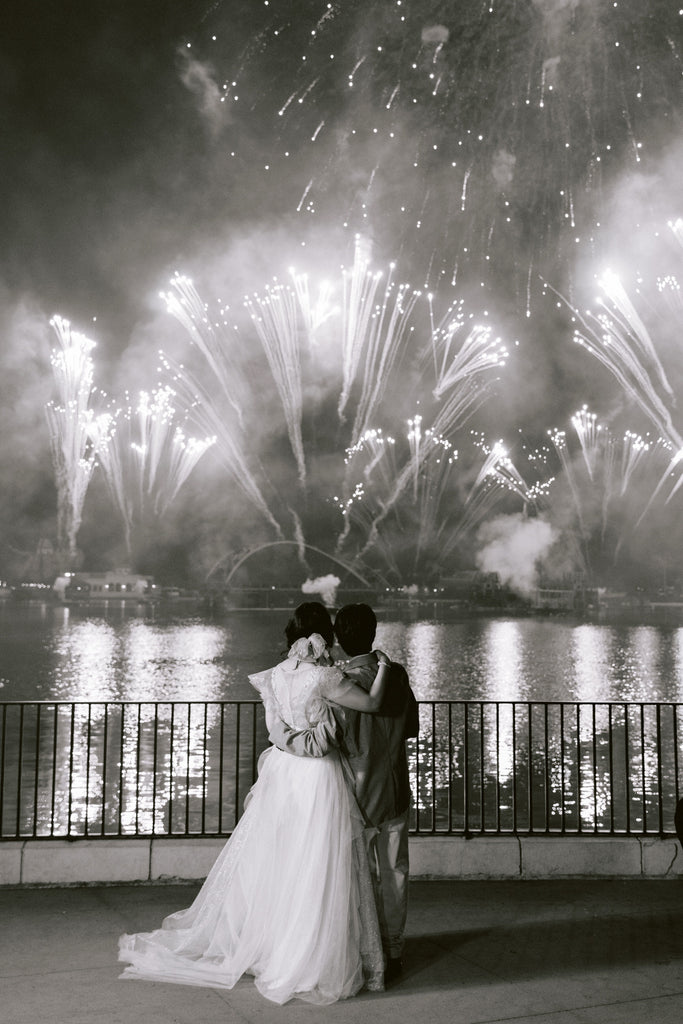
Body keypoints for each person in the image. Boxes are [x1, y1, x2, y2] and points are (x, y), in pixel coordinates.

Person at [118, 601, 392, 1005]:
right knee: (317, 862)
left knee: (278, 861)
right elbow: (372, 704)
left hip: (283, 771)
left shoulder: (275, 676)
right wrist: (384, 666)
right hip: (318, 775)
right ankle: (309, 953)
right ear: (325, 636)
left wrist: (292, 742)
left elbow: (274, 729)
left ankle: (269, 944)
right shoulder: (326, 677)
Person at [268, 602, 419, 983]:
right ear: (372, 633)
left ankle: (363, 952)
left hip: (357, 795)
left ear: (340, 638)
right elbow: (412, 726)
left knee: (357, 881)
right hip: (396, 791)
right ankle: (395, 948)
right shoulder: (396, 675)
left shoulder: (335, 682)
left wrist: (283, 741)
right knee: (395, 873)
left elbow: (326, 739)